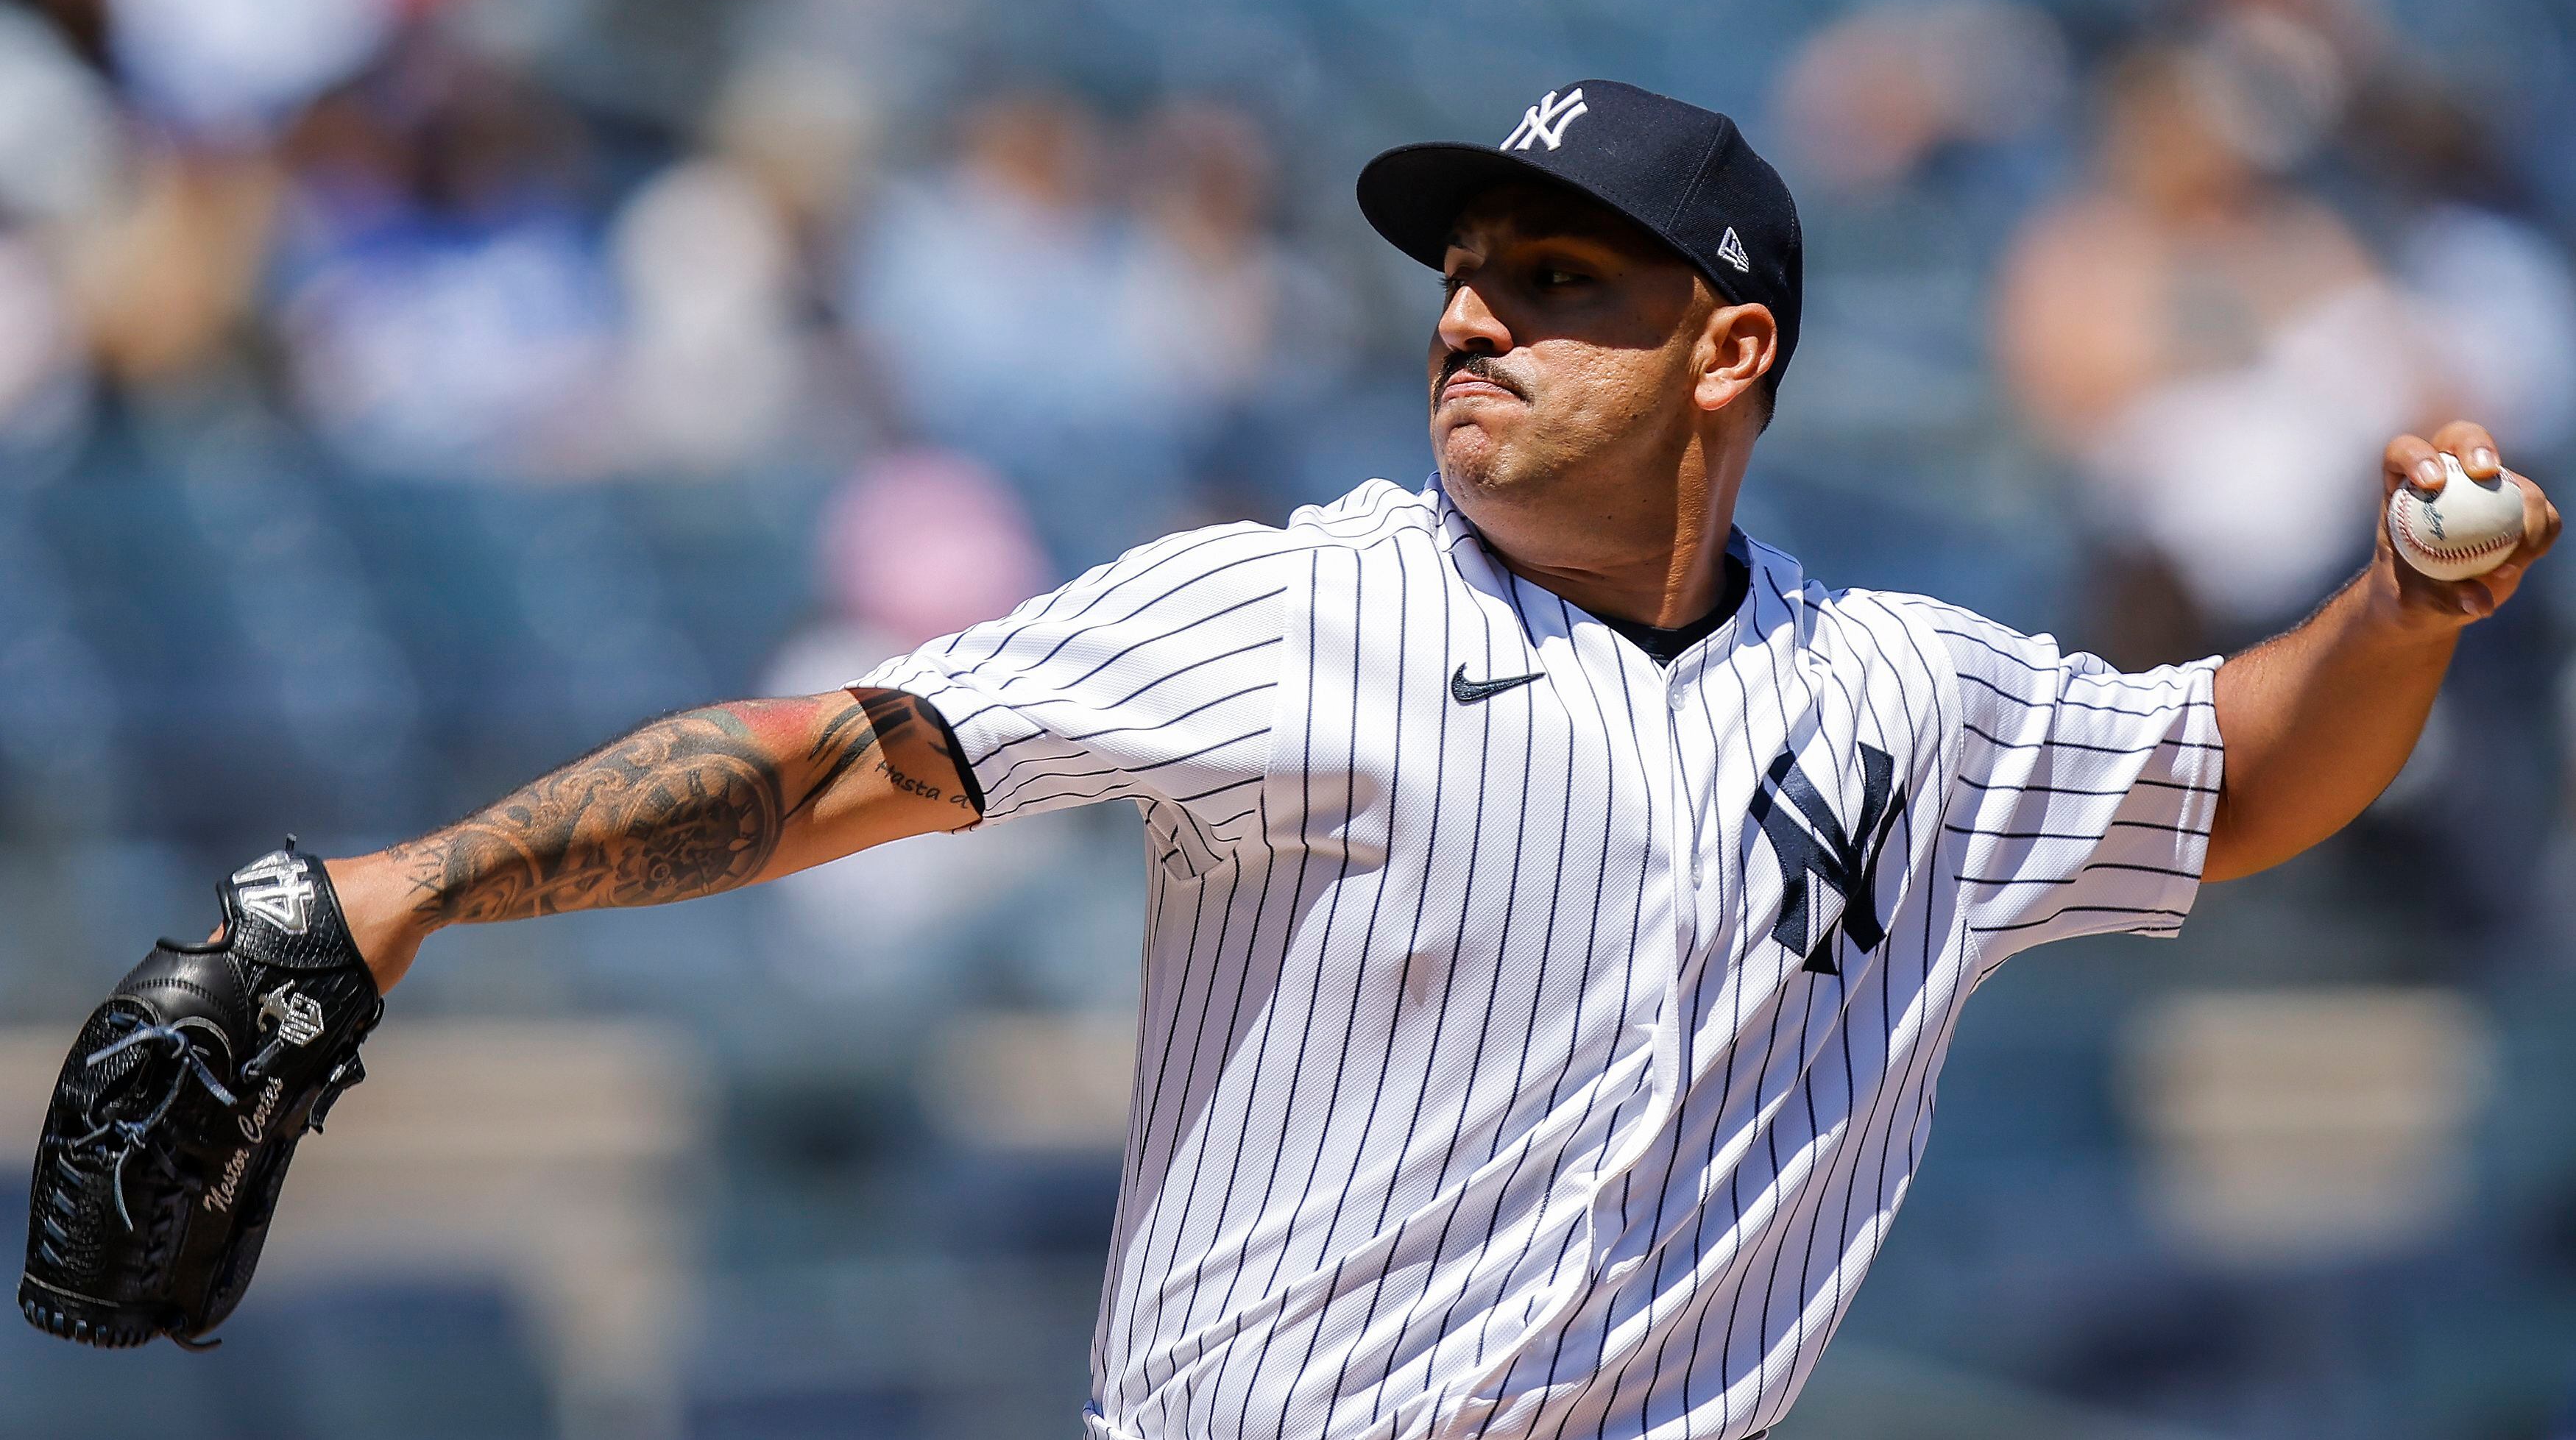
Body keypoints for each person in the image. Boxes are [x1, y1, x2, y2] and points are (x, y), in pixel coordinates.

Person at [313, 82, 2558, 1438]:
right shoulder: (1296, 606)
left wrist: (2398, 615)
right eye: (1460, 270)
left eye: (1557, 277)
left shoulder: (1918, 696)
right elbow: (839, 761)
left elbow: (2236, 782)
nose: (1468, 313)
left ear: (1728, 348)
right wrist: (409, 888)